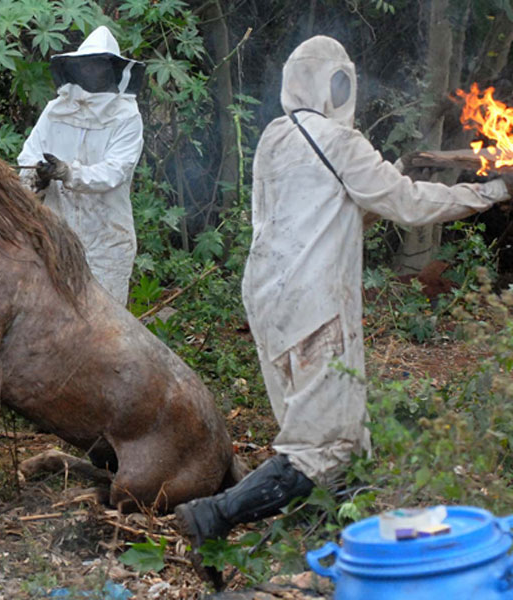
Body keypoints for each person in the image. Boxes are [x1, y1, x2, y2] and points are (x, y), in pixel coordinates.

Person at [174, 35, 511, 551]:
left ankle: (331, 543)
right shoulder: (338, 141)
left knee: (335, 434)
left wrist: (397, 172)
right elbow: (408, 206)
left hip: (269, 298)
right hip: (314, 305)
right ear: (333, 84)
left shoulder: (275, 136)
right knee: (322, 443)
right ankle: (214, 516)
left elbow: (344, 204)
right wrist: (489, 192)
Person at [18, 26, 145, 305]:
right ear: (75, 67)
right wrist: (35, 178)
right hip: (55, 232)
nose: (92, 72)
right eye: (86, 65)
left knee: (104, 324)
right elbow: (29, 156)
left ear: (113, 69)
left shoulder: (127, 117)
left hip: (106, 238)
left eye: (99, 65)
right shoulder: (55, 110)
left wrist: (69, 173)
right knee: (52, 315)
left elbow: (116, 171)